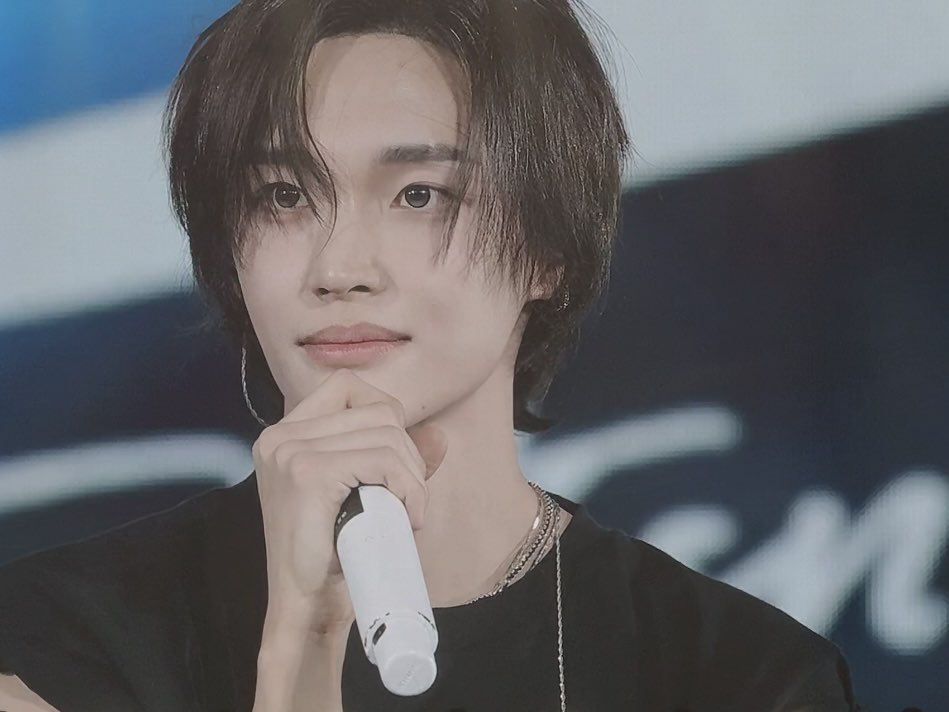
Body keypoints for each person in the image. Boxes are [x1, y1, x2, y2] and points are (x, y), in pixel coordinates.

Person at [0, 1, 862, 710]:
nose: (340, 268)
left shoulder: (739, 675)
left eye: (419, 195)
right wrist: (302, 641)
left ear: (548, 250)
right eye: (283, 195)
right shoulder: (55, 638)